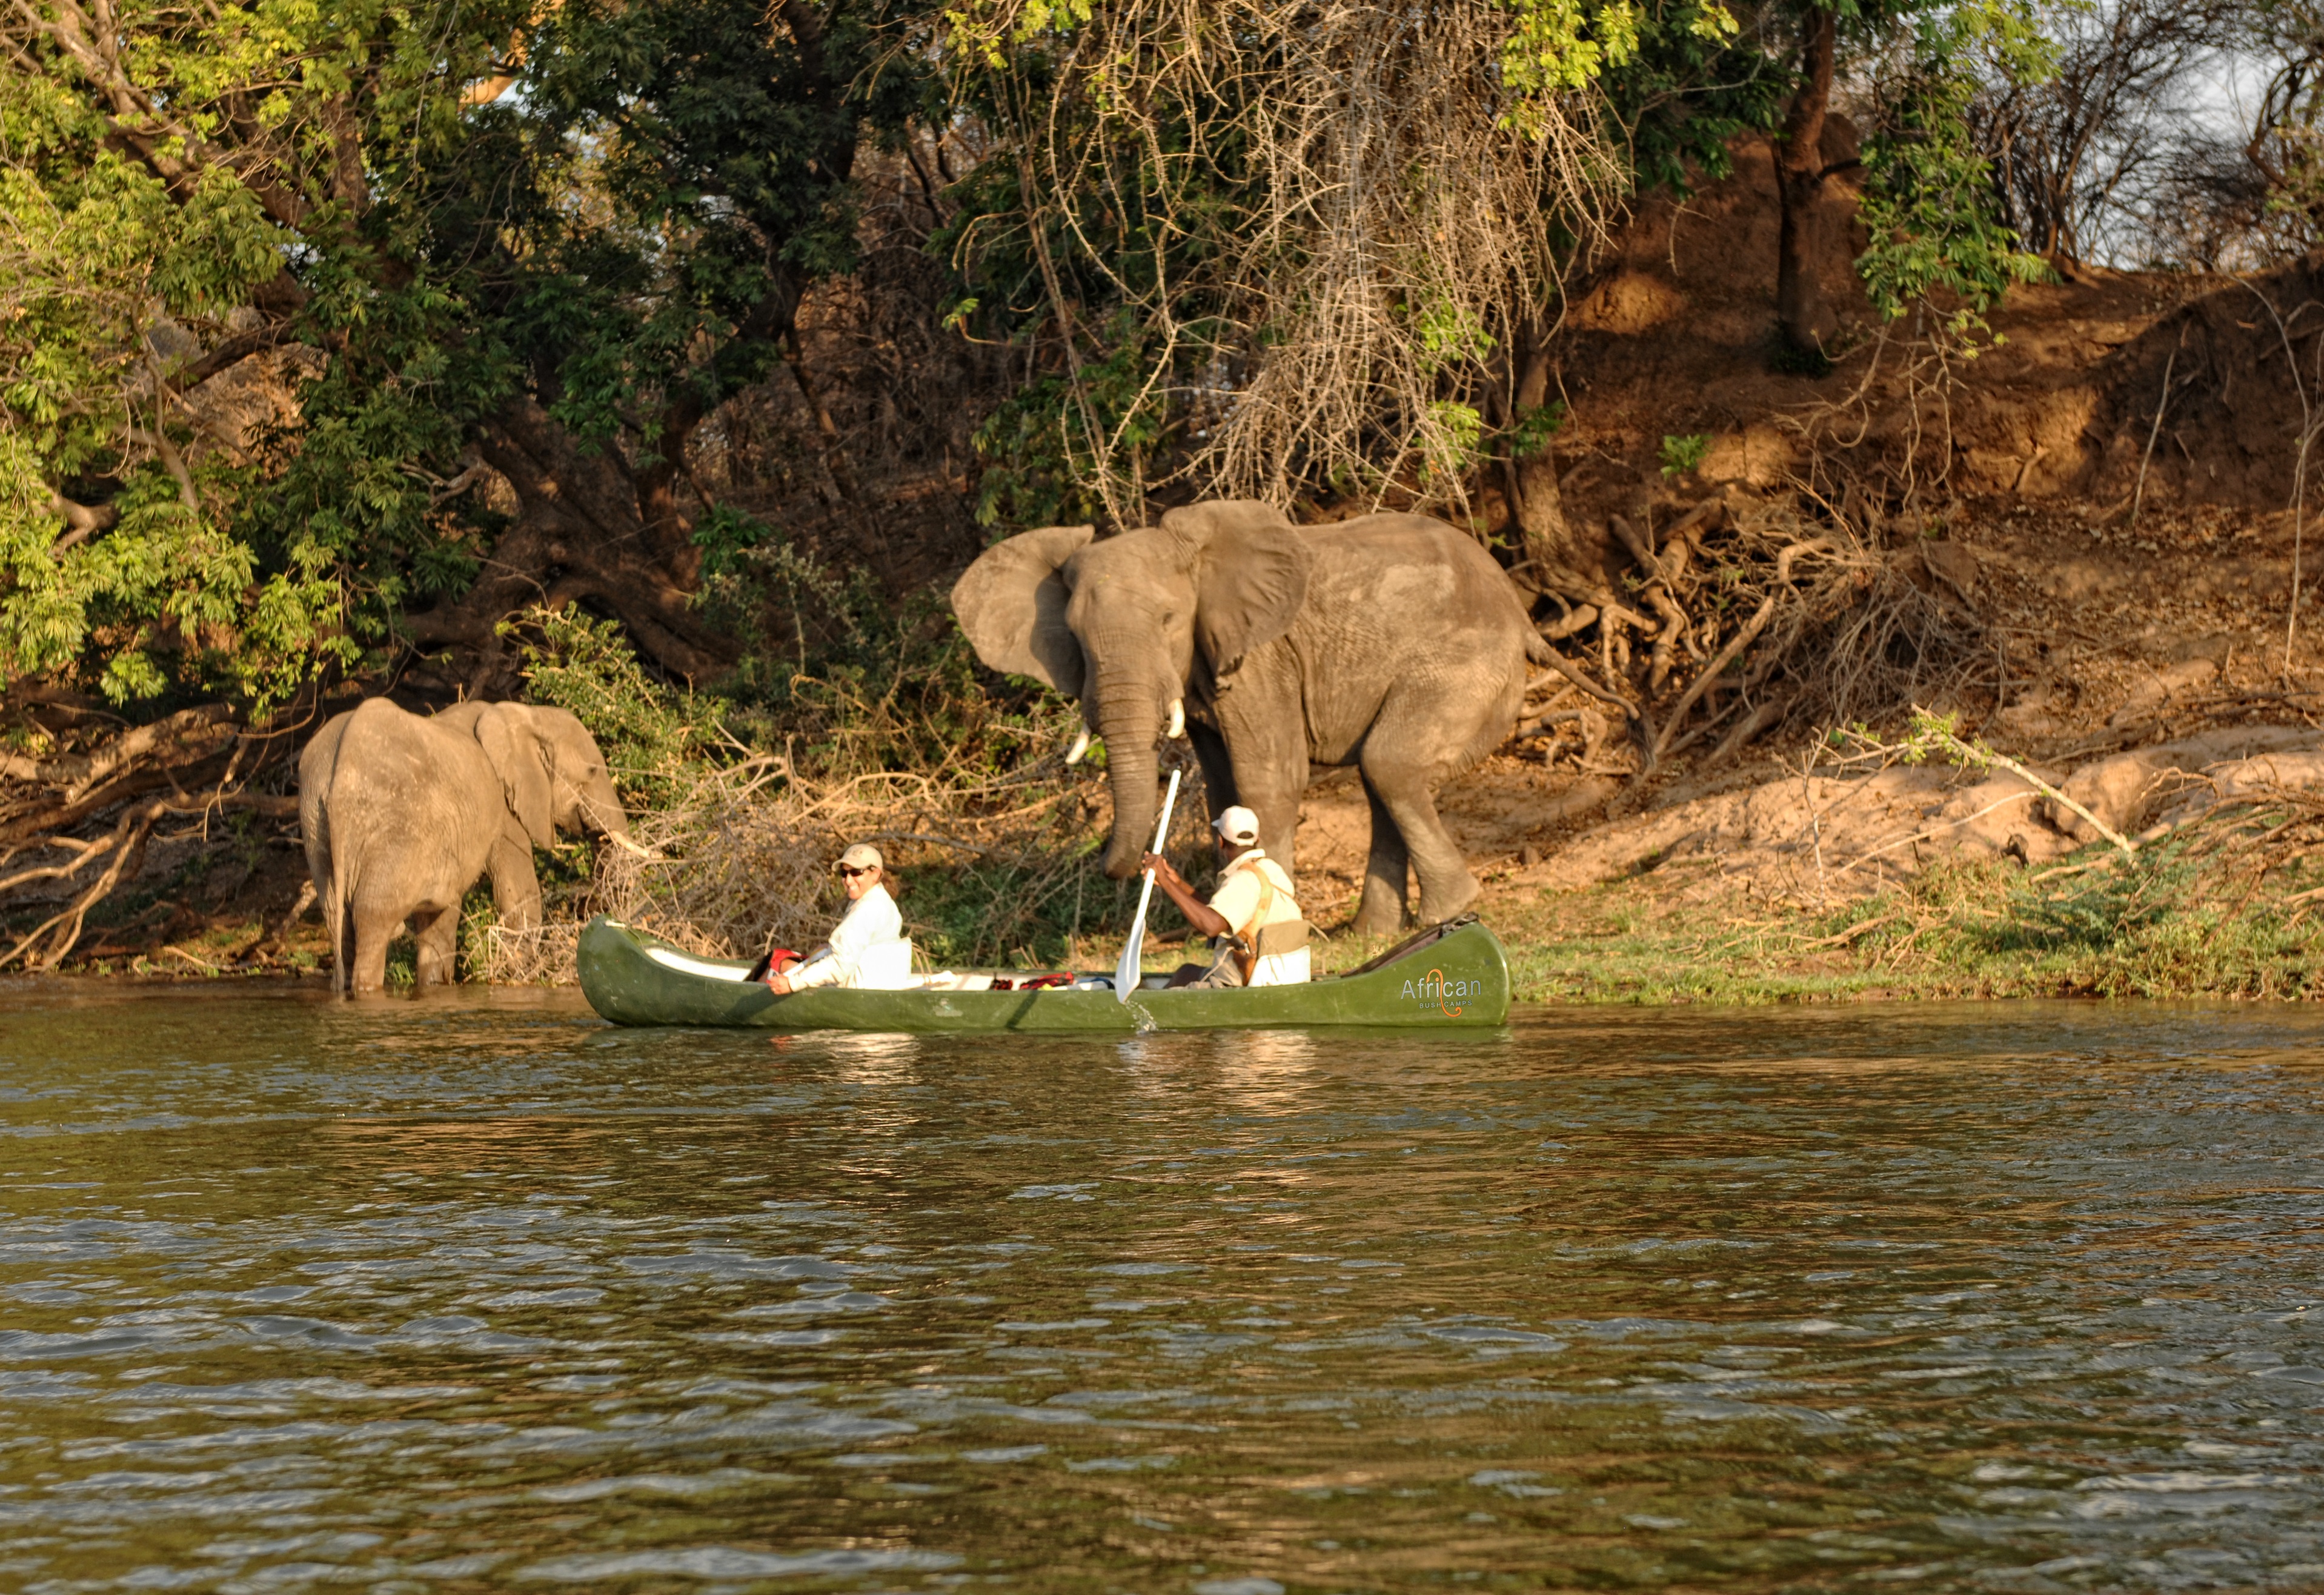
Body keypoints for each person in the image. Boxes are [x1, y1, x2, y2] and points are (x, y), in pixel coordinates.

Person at [1140, 805, 1310, 988]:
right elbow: (1223, 915)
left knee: (1184, 975)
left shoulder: (1244, 879)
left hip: (1243, 982)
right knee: (1187, 972)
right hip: (1284, 976)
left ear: (1221, 841)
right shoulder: (1271, 870)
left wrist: (1165, 881)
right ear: (1257, 839)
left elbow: (1212, 925)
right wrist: (1177, 884)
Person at [765, 843, 915, 992]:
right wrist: (829, 949)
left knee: (781, 965)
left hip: (859, 990)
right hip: (876, 984)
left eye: (857, 872)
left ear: (875, 874)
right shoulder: (883, 901)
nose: (848, 880)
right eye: (844, 873)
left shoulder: (867, 909)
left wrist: (793, 983)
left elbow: (840, 965)